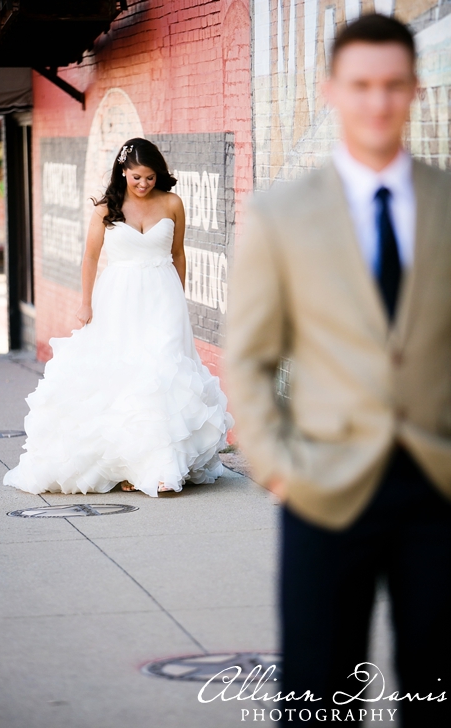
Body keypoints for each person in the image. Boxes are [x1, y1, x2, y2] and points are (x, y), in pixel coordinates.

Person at [226, 14, 451, 725]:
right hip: (322, 484)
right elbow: (250, 356)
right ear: (331, 90)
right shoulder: (281, 214)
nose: (377, 102)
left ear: (415, 89)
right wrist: (274, 464)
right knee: (319, 696)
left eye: (392, 86)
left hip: (438, 491)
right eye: (361, 86)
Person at [3, 138, 233, 497]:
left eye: (151, 178)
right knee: (126, 376)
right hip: (119, 298)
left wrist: (180, 298)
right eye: (137, 177)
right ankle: (127, 465)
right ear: (123, 171)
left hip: (163, 298)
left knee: (162, 373)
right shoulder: (107, 208)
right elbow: (90, 258)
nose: (143, 184)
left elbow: (178, 254)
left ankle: (160, 465)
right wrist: (86, 303)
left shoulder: (172, 203)